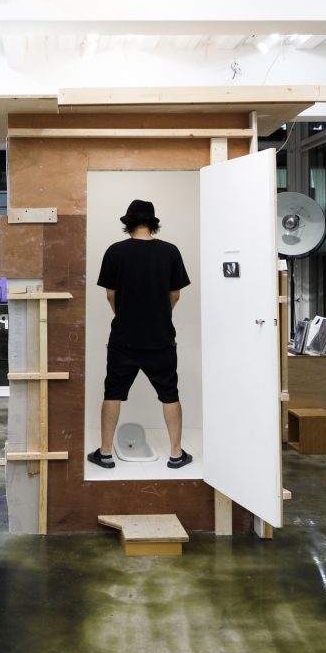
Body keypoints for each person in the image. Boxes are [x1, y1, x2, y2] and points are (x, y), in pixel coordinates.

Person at [88, 199, 192, 469]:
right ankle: (176, 454)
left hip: (124, 337)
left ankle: (106, 453)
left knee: (113, 392)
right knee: (170, 393)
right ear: (153, 223)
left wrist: (122, 314)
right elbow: (175, 294)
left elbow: (111, 294)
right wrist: (161, 314)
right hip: (160, 337)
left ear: (128, 223)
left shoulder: (115, 251)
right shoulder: (170, 251)